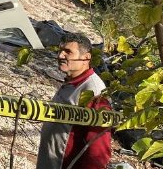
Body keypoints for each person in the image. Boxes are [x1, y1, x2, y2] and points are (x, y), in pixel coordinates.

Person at [37, 33, 112, 169]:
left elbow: (98, 150)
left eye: (68, 52)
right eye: (60, 51)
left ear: (86, 58)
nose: (60, 56)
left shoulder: (94, 92)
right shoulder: (72, 83)